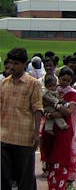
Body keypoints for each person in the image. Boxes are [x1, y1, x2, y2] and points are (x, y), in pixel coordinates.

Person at [0, 47, 44, 190]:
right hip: (4, 136)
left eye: (16, 63)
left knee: (25, 177)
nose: (12, 67)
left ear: (25, 64)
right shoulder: (5, 83)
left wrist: (37, 133)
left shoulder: (33, 83)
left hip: (24, 138)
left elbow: (38, 109)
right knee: (4, 176)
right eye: (11, 63)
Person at [40, 66, 76, 189]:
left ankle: (60, 185)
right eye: (62, 79)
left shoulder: (73, 93)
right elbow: (43, 106)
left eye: (68, 81)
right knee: (50, 160)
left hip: (64, 130)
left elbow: (69, 112)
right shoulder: (52, 90)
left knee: (60, 160)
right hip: (50, 129)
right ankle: (52, 185)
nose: (64, 83)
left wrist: (56, 108)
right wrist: (54, 111)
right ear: (59, 79)